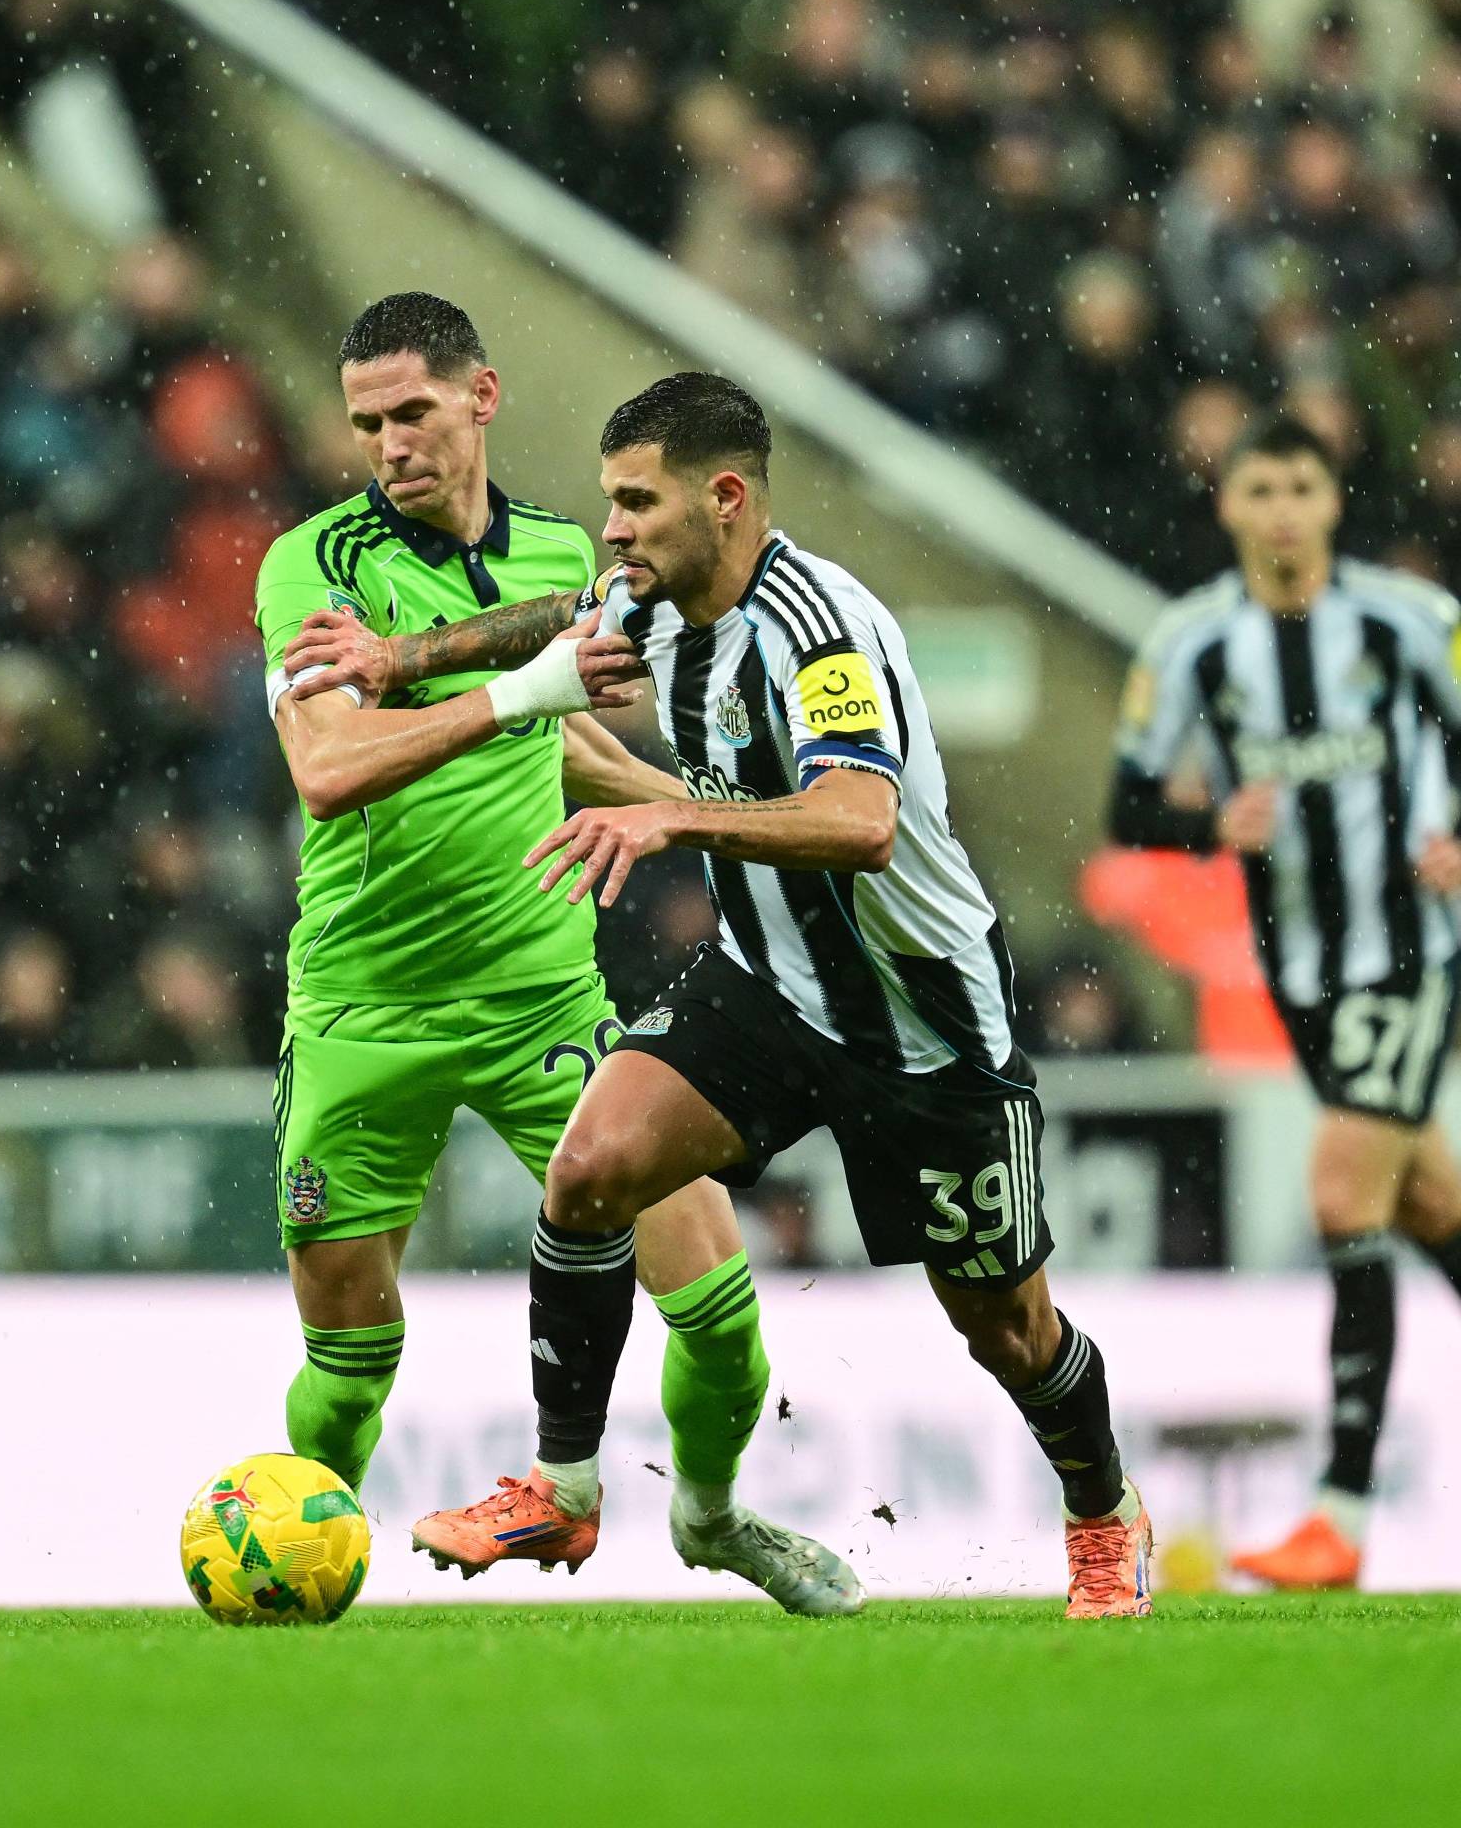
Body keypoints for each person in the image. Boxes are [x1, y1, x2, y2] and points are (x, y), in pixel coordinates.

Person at [403, 372, 1152, 1620]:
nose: (615, 528)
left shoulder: (822, 631)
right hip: (765, 989)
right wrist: (396, 655)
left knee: (1004, 1327)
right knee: (590, 1167)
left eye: (638, 502)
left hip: (920, 1023)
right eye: (610, 502)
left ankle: (1101, 1509)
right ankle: (564, 1482)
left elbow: (858, 825)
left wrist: (660, 808)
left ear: (727, 495)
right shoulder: (654, 604)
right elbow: (549, 626)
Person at [256, 295, 859, 1615]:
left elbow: (557, 742)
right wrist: (523, 692)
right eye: (366, 423)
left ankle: (710, 1519)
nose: (389, 444)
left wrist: (666, 800)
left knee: (722, 1313)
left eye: (412, 410)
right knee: (352, 1365)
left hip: (544, 993)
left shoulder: (558, 550)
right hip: (365, 1011)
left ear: (482, 397)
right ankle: (304, 1561)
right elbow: (328, 767)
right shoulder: (313, 567)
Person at [1110, 411, 1461, 1589]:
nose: (1278, 509)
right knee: (1422, 1204)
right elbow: (1126, 805)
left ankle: (1339, 1515)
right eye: (1256, 487)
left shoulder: (1414, 622)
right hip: (1301, 976)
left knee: (1338, 1192)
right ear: (1226, 505)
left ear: (1331, 502)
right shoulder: (1192, 641)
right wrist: (1210, 821)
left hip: (1412, 953)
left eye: (1299, 485)